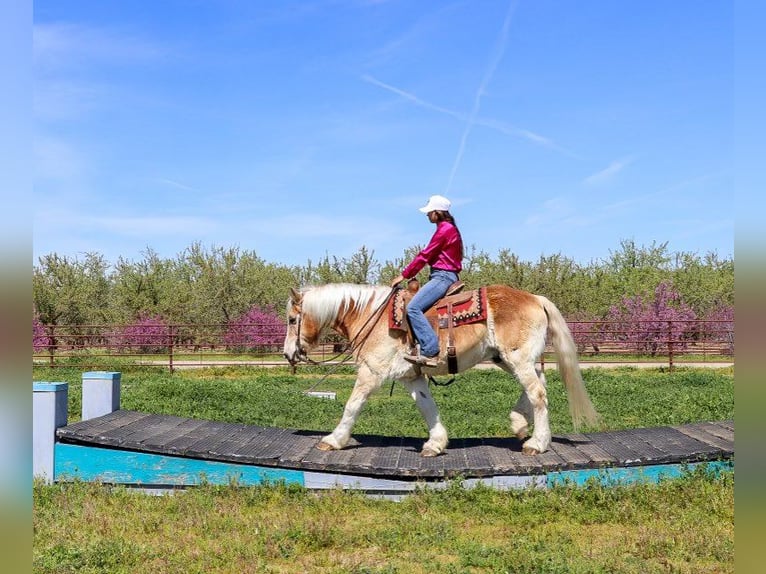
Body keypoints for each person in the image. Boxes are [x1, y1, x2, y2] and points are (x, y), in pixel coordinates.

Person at [391, 194, 464, 367]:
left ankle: (430, 350)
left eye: (429, 211)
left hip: (443, 276)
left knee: (413, 308)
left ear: (438, 212)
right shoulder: (447, 228)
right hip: (443, 274)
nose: (427, 215)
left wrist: (405, 274)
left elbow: (426, 254)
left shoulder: (445, 229)